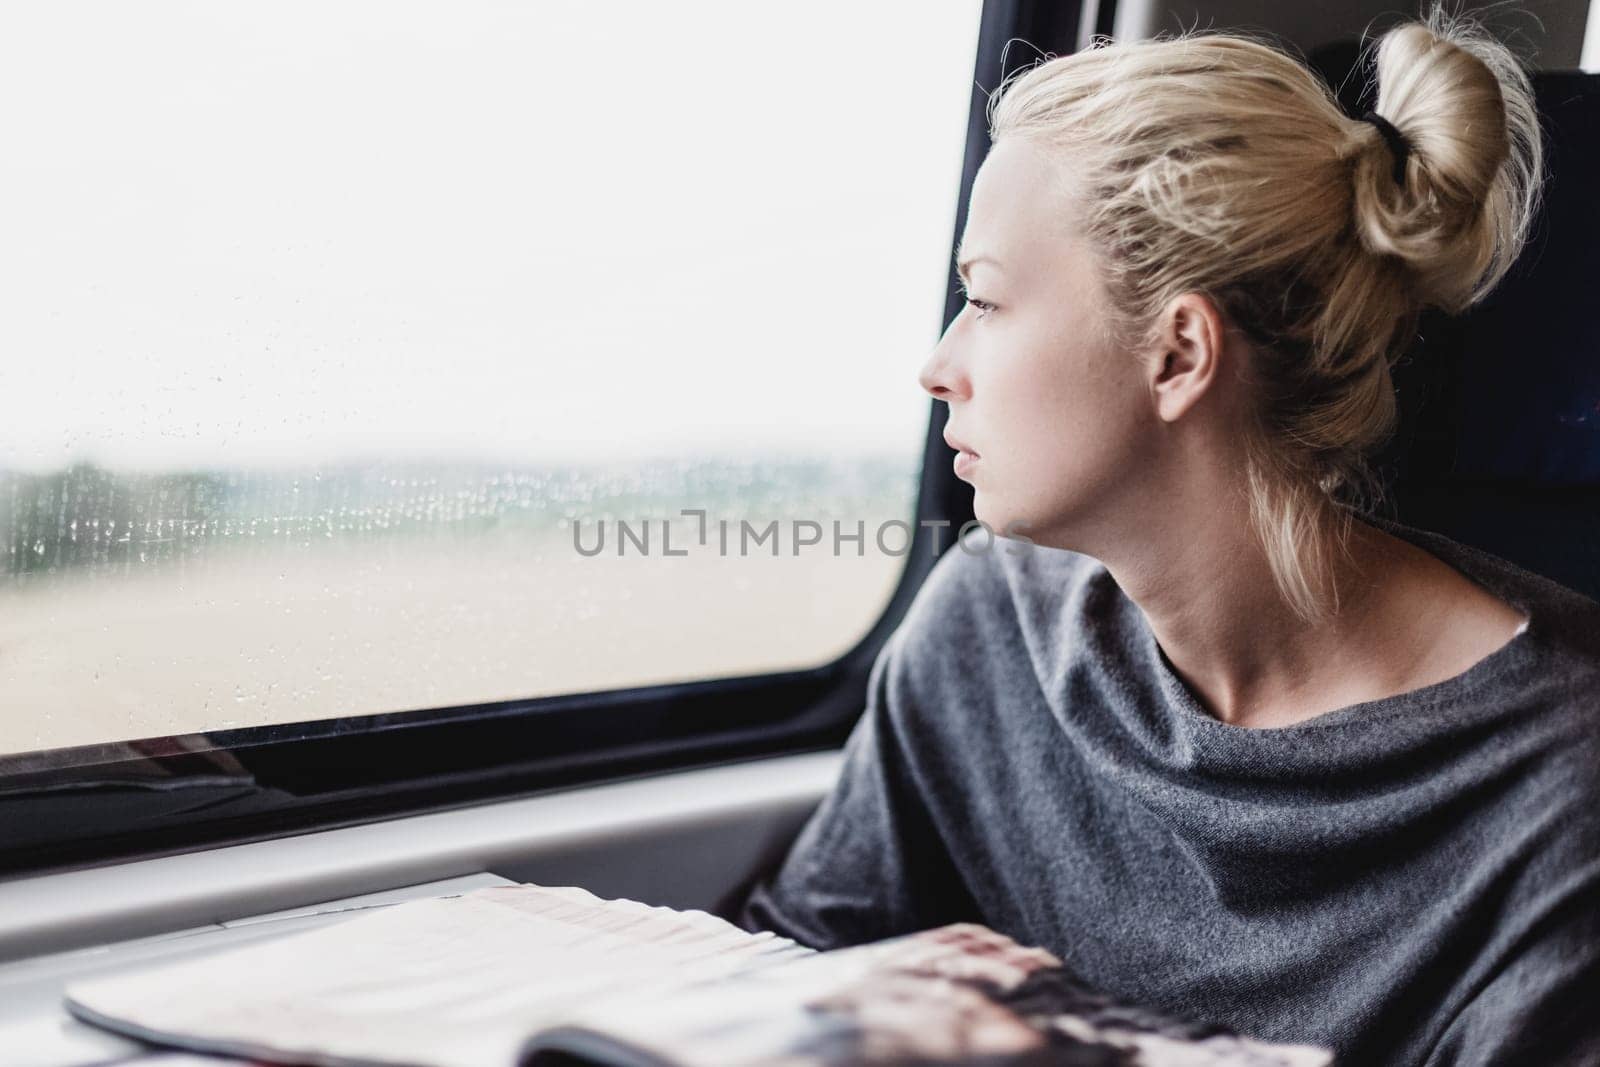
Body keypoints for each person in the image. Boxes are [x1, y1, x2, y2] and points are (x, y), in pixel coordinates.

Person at [736, 9, 1600, 1066]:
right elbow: (794, 982)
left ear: (1178, 354)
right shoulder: (987, 626)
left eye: (986, 299)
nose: (937, 364)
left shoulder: (1562, 788)